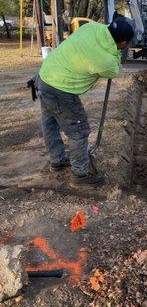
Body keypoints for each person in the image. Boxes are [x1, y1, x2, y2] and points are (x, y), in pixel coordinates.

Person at [37, 17, 134, 188]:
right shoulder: (106, 62)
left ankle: (57, 159)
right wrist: (120, 51)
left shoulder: (91, 27)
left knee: (50, 122)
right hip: (61, 87)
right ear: (123, 43)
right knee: (79, 129)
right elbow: (115, 70)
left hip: (45, 76)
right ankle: (79, 175)